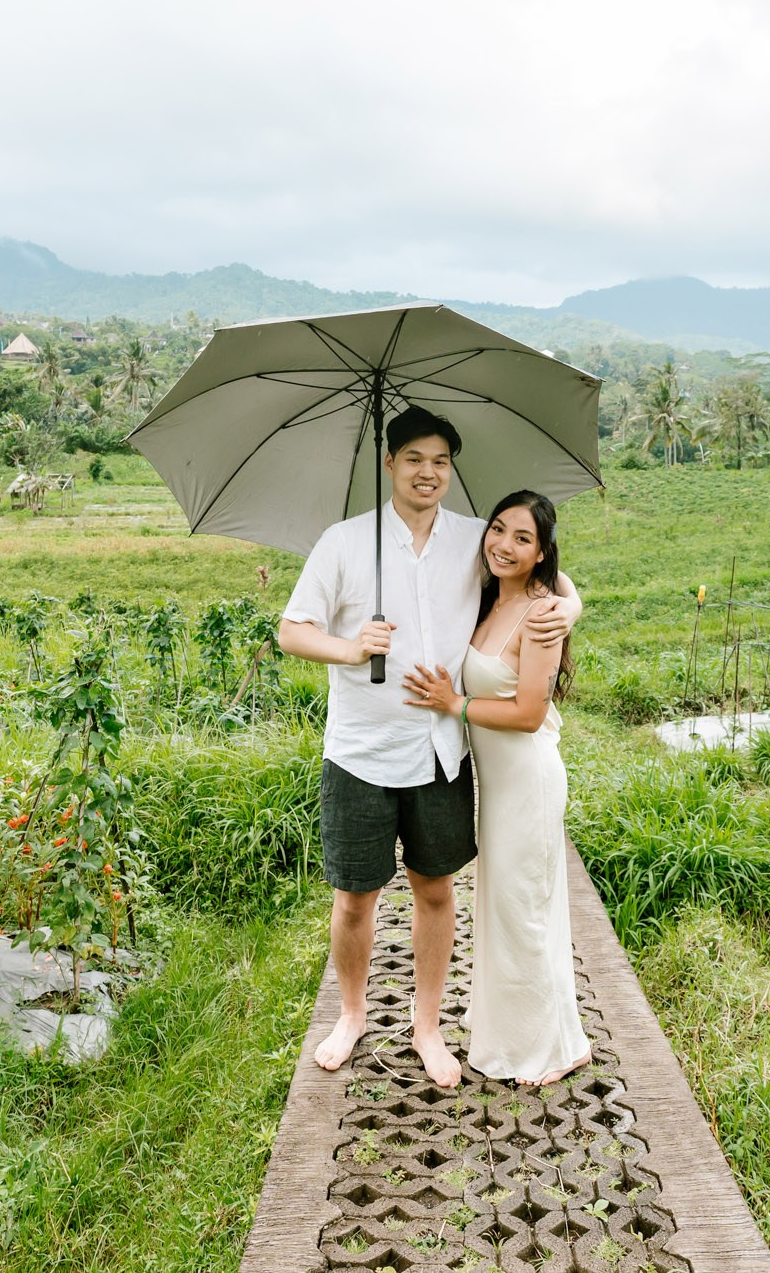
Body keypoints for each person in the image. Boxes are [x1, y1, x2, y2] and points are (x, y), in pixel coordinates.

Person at [278, 408, 578, 1089]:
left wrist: (572, 606)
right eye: (414, 458)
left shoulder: (475, 538)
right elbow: (292, 630)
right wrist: (350, 647)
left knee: (435, 891)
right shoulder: (344, 542)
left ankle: (427, 1025)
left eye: (441, 461)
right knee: (355, 897)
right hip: (359, 751)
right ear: (389, 463)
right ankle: (352, 1014)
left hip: (440, 751)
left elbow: (549, 575)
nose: (428, 472)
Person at [400, 490, 591, 1086]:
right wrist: (575, 599)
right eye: (499, 529)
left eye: (523, 538)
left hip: (528, 780)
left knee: (523, 909)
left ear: (542, 553)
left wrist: (455, 704)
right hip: (500, 787)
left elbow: (530, 714)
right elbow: (565, 584)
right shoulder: (490, 597)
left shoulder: (541, 615)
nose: (505, 545)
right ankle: (520, 1034)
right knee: (508, 908)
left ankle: (552, 1051)